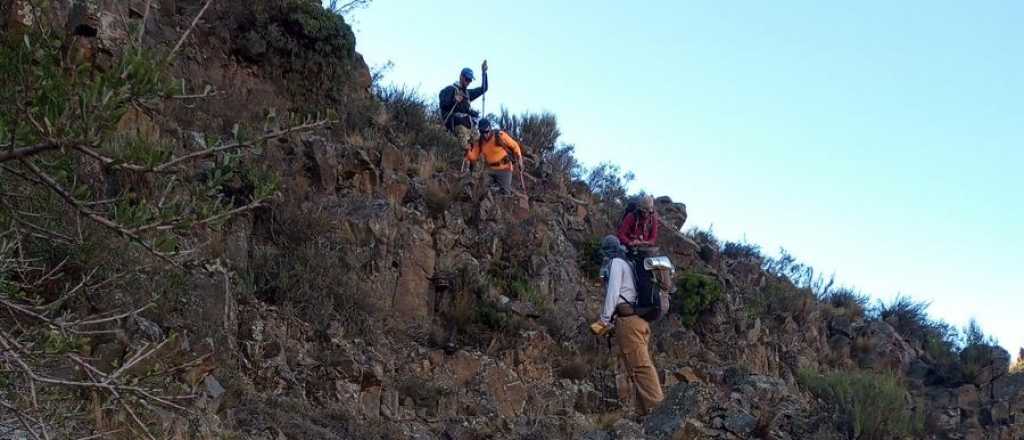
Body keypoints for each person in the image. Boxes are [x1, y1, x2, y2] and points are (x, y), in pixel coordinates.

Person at [590, 235, 664, 417]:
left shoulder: (616, 263)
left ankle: (660, 413)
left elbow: (613, 293)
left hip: (629, 322)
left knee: (640, 368)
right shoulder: (629, 263)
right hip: (639, 321)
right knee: (635, 369)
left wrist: (604, 320)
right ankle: (643, 413)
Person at [464, 118, 522, 194]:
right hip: (490, 169)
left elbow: (515, 146)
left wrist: (519, 159)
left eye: (486, 131)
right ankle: (491, 192)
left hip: (505, 168)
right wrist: (467, 150)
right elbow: (474, 157)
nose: (485, 134)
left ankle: (499, 190)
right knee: (481, 188)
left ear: (490, 128)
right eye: (482, 132)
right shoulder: (480, 142)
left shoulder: (499, 135)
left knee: (505, 193)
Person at [439, 61, 489, 148]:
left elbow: (483, 89)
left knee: (479, 146)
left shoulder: (467, 94)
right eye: (466, 79)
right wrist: (454, 100)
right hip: (457, 125)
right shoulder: (451, 89)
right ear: (461, 77)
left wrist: (484, 73)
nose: (468, 82)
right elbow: (443, 104)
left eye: (470, 80)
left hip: (470, 127)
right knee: (464, 148)